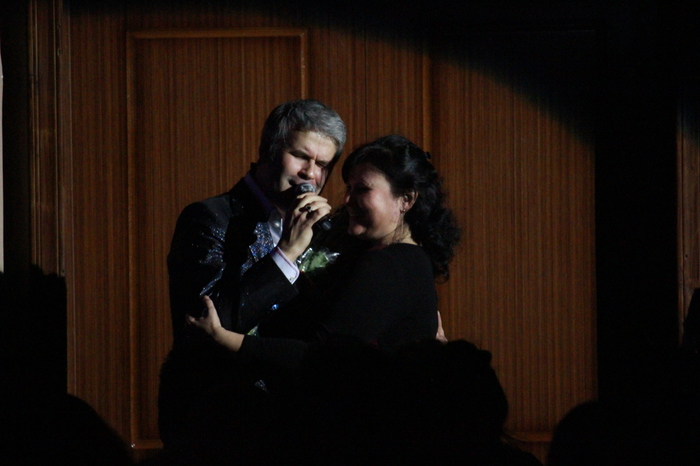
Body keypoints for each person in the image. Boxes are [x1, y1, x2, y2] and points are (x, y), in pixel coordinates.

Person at [158, 99, 347, 450]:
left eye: (323, 164)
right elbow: (205, 322)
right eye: (300, 156)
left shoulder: (324, 231)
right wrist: (285, 254)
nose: (310, 174)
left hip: (294, 424)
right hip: (217, 422)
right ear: (268, 150)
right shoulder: (210, 218)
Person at [188, 135, 461, 375]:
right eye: (348, 188)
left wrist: (225, 338)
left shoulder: (389, 264)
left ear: (406, 200)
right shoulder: (405, 259)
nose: (347, 200)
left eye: (362, 189)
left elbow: (322, 356)